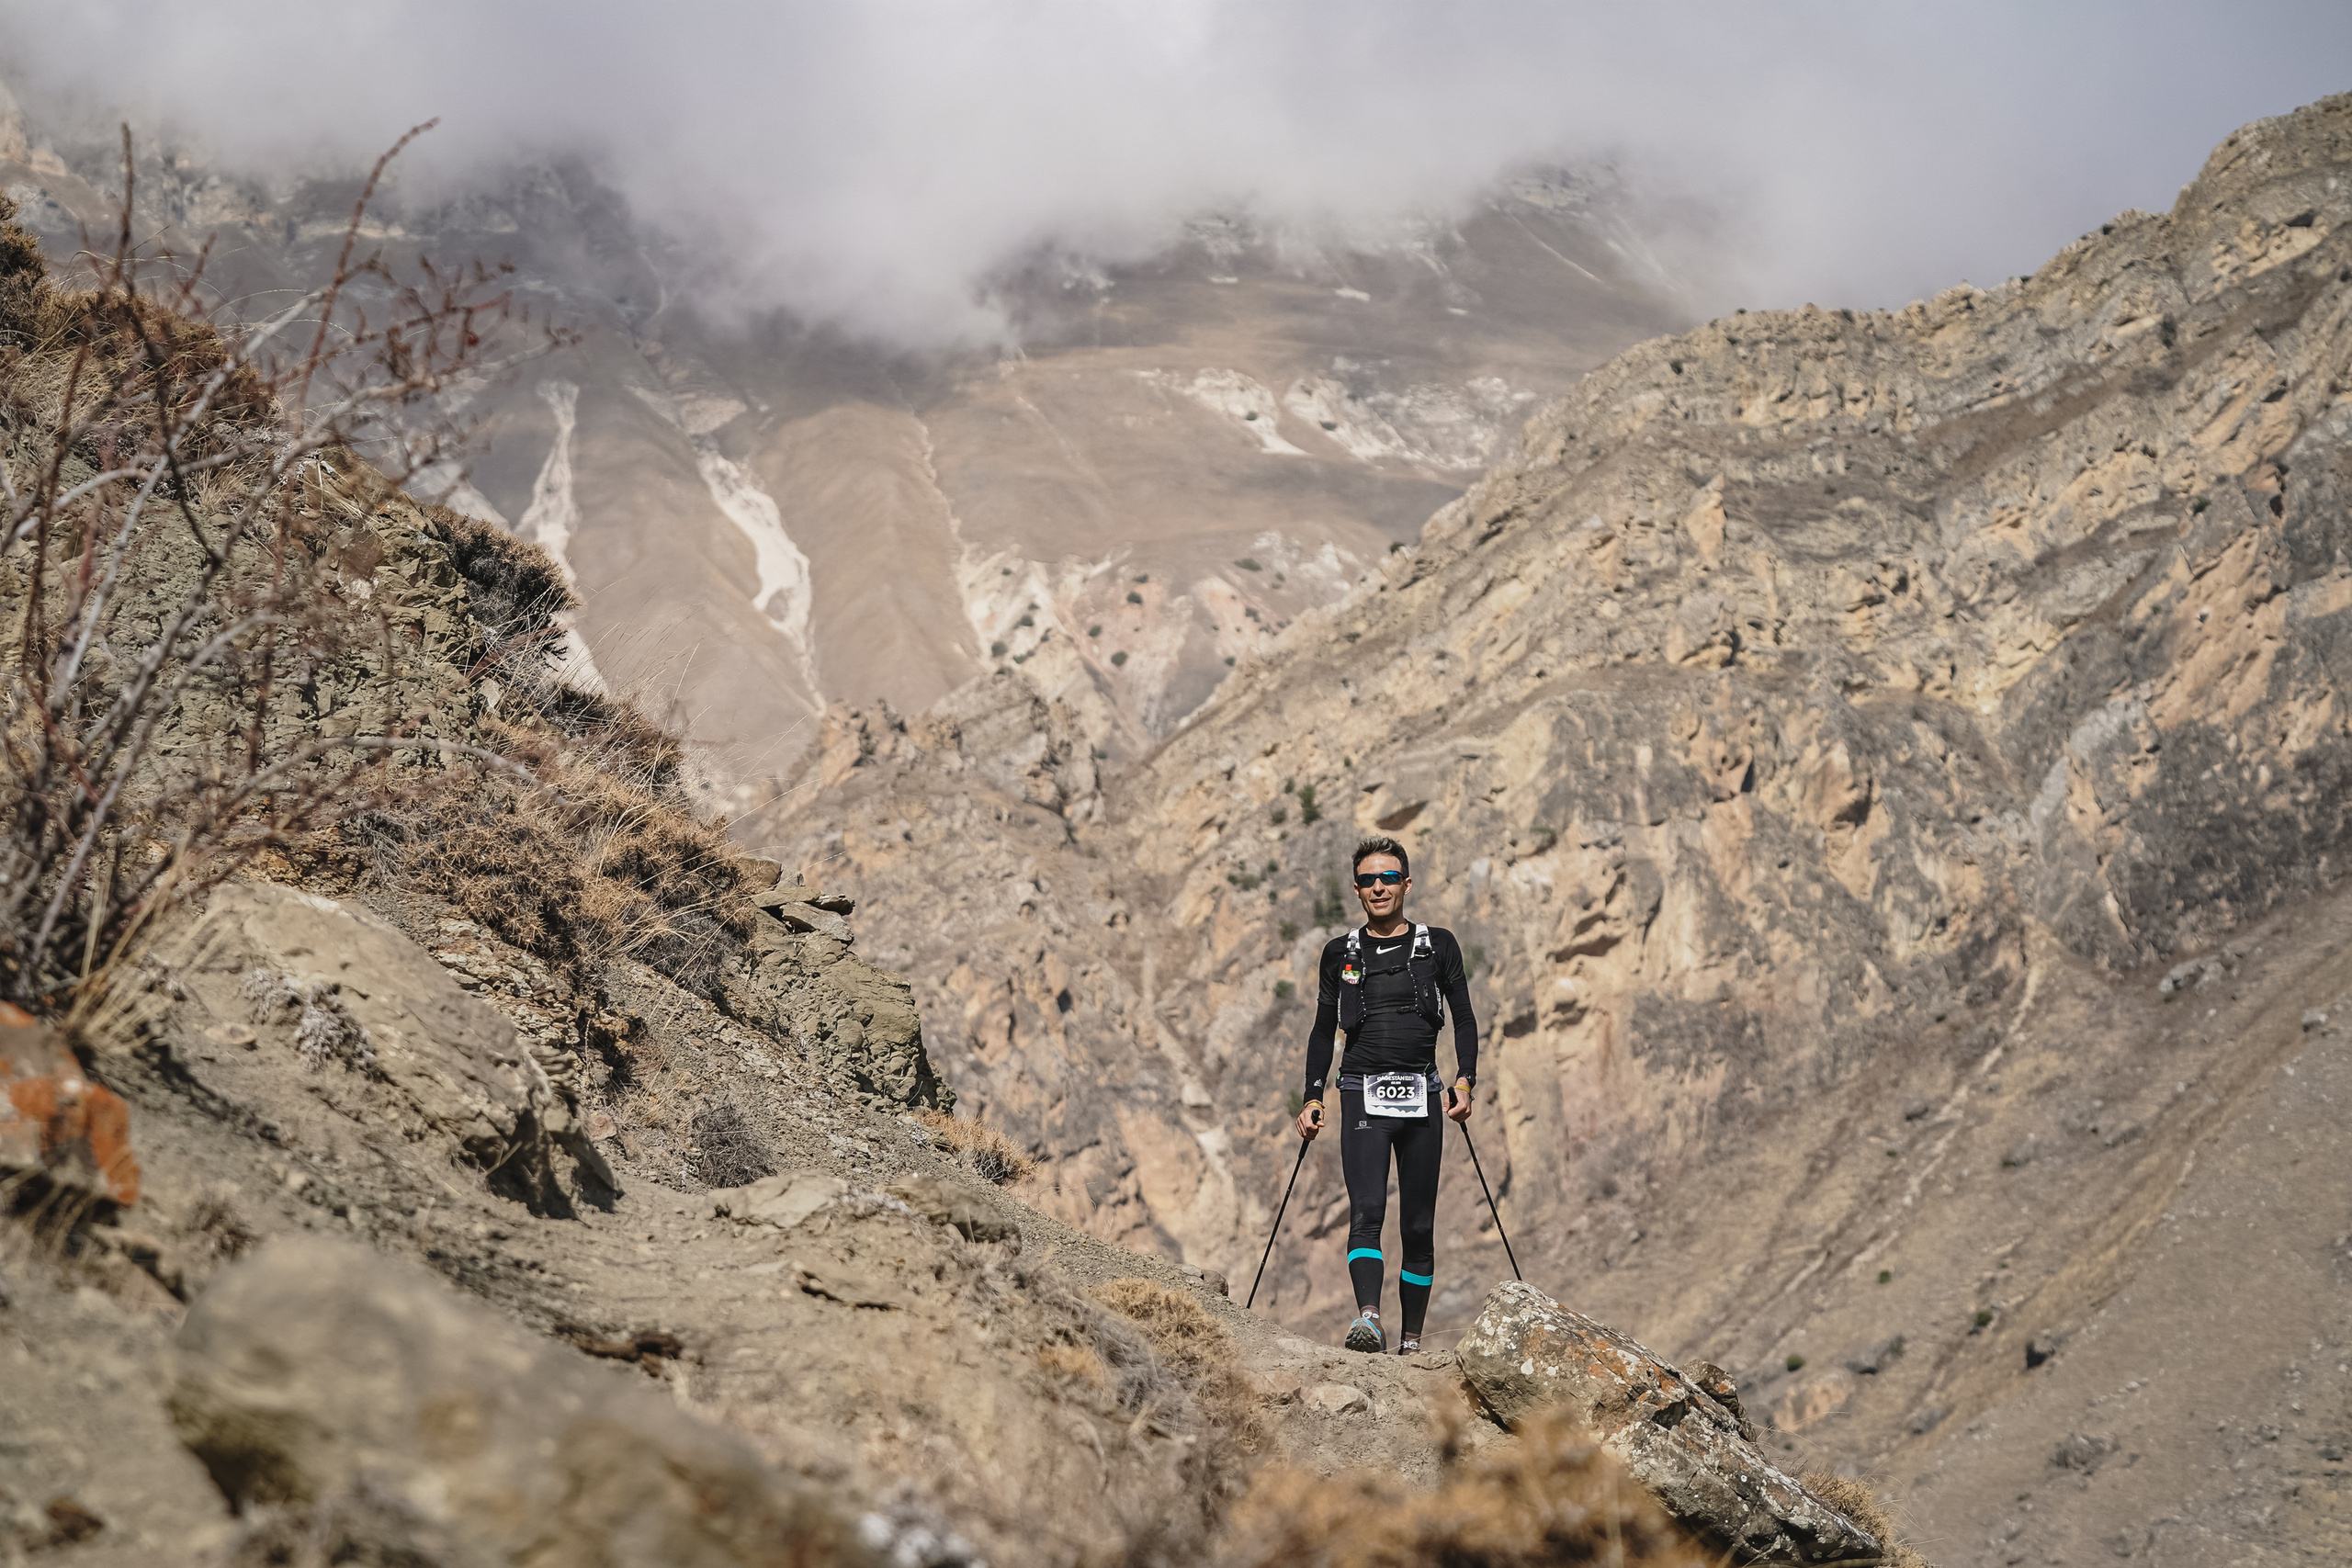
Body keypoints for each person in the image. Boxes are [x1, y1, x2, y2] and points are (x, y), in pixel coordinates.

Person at [1295, 835, 1477, 1355]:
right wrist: (1312, 1096)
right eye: (1369, 880)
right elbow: (1321, 1030)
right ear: (1356, 890)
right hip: (1361, 1092)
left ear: (1406, 884)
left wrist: (1465, 1081)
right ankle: (1369, 1319)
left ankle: (1412, 1344)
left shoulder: (1438, 945)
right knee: (1367, 1210)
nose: (1379, 887)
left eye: (1389, 878)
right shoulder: (1339, 953)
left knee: (1418, 1225)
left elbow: (1463, 1018)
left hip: (1422, 1093)